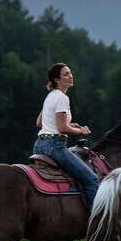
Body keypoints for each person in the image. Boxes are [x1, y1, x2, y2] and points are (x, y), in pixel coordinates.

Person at [33, 63, 99, 209]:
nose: (71, 76)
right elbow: (62, 128)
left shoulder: (50, 95)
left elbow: (40, 123)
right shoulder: (63, 98)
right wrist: (81, 131)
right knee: (92, 180)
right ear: (57, 80)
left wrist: (70, 124)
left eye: (70, 73)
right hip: (55, 146)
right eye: (66, 74)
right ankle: (97, 220)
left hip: (39, 145)